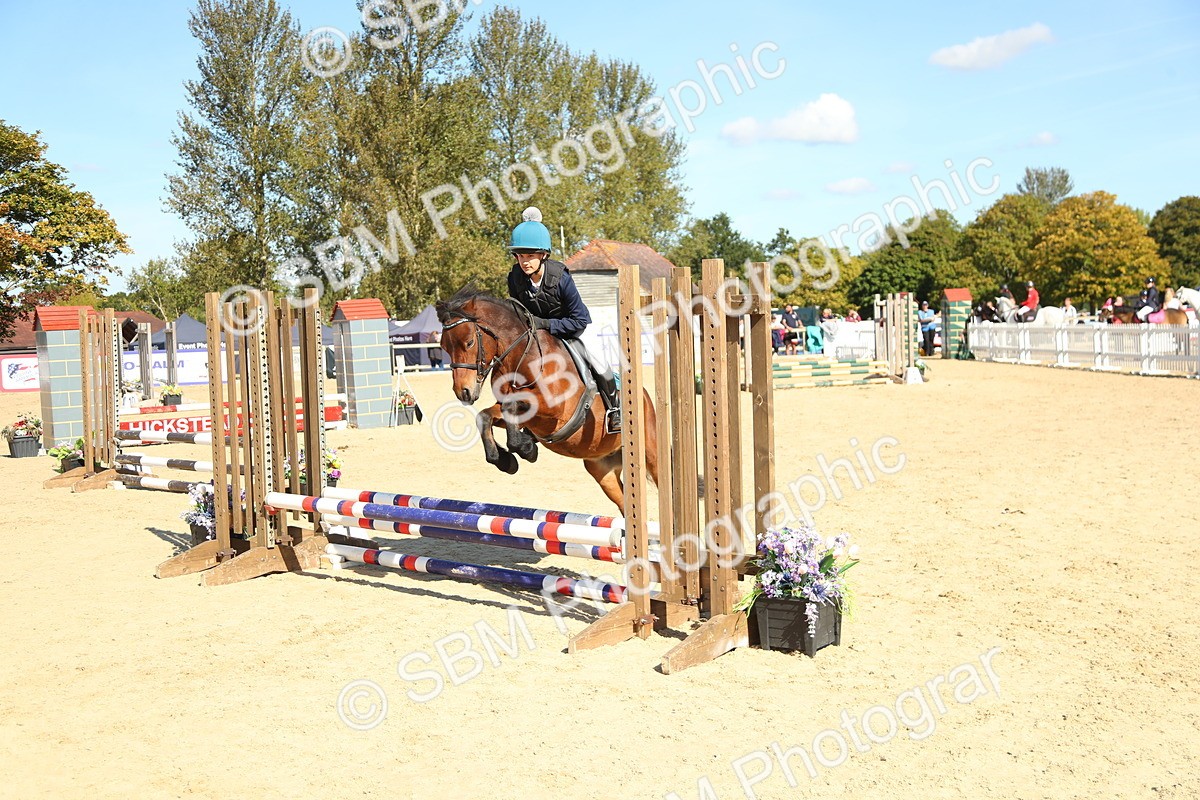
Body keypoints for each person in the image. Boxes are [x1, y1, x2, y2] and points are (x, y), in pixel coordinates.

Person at [505, 206, 621, 433]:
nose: (524, 261)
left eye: (530, 255)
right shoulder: (515, 278)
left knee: (596, 358)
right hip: (539, 335)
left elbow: (579, 320)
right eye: (520, 255)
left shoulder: (561, 278)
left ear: (543, 255)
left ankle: (614, 409)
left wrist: (547, 325)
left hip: (574, 327)